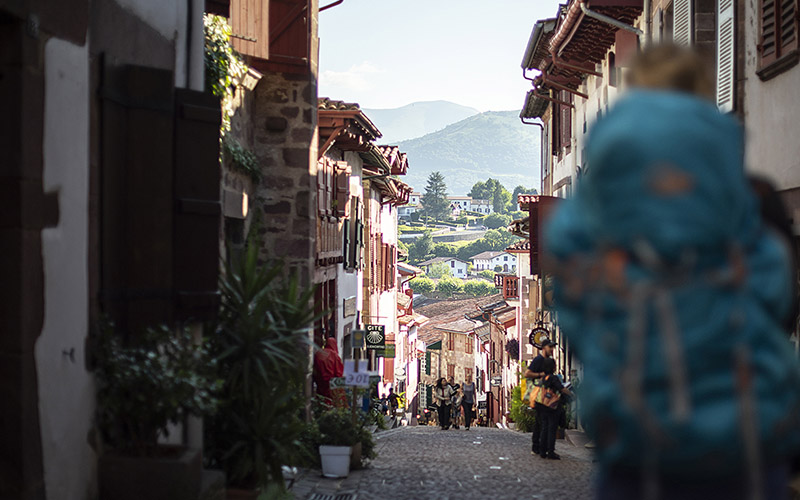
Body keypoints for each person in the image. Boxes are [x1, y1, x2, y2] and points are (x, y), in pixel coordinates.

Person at [545, 44, 800, 498]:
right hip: (747, 438)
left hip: (639, 438)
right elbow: (779, 298)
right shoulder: (750, 197)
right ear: (702, 95)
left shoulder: (594, 213)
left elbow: (573, 305)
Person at [535, 358, 572, 460]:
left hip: (543, 406)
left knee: (544, 428)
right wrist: (571, 394)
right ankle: (550, 451)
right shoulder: (553, 378)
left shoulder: (543, 378)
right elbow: (561, 388)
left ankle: (542, 451)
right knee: (552, 429)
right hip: (552, 406)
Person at [524, 338, 556, 455]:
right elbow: (527, 373)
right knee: (539, 422)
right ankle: (536, 447)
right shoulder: (538, 360)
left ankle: (543, 447)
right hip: (538, 394)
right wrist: (540, 374)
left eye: (552, 347)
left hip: (547, 396)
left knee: (543, 422)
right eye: (550, 347)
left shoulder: (550, 360)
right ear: (544, 348)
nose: (552, 349)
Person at [312, 336, 344, 404]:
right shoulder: (334, 355)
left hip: (320, 383)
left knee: (322, 400)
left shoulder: (318, 353)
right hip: (332, 384)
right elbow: (339, 372)